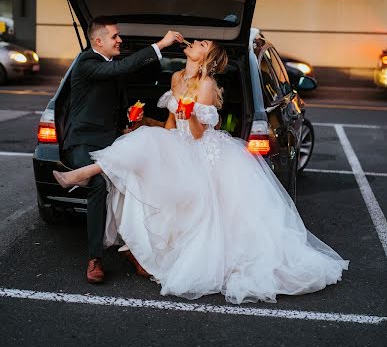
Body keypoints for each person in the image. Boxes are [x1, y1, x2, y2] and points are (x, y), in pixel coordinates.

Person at [54, 39, 349, 304]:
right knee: (139, 139)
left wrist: (191, 113)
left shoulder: (206, 84)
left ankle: (82, 174)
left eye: (202, 43)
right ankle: (134, 245)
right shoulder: (176, 77)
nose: (195, 42)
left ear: (207, 56)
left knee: (146, 149)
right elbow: (171, 127)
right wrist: (144, 122)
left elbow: (196, 134)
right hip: (177, 144)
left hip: (202, 151)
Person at [60, 15, 183, 284]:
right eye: (115, 36)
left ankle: (134, 250)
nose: (120, 40)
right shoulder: (87, 62)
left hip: (111, 140)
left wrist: (126, 125)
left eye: (118, 36)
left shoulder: (111, 64)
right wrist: (160, 44)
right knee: (95, 182)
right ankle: (95, 259)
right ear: (98, 41)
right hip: (83, 141)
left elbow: (116, 93)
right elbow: (120, 70)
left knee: (140, 182)